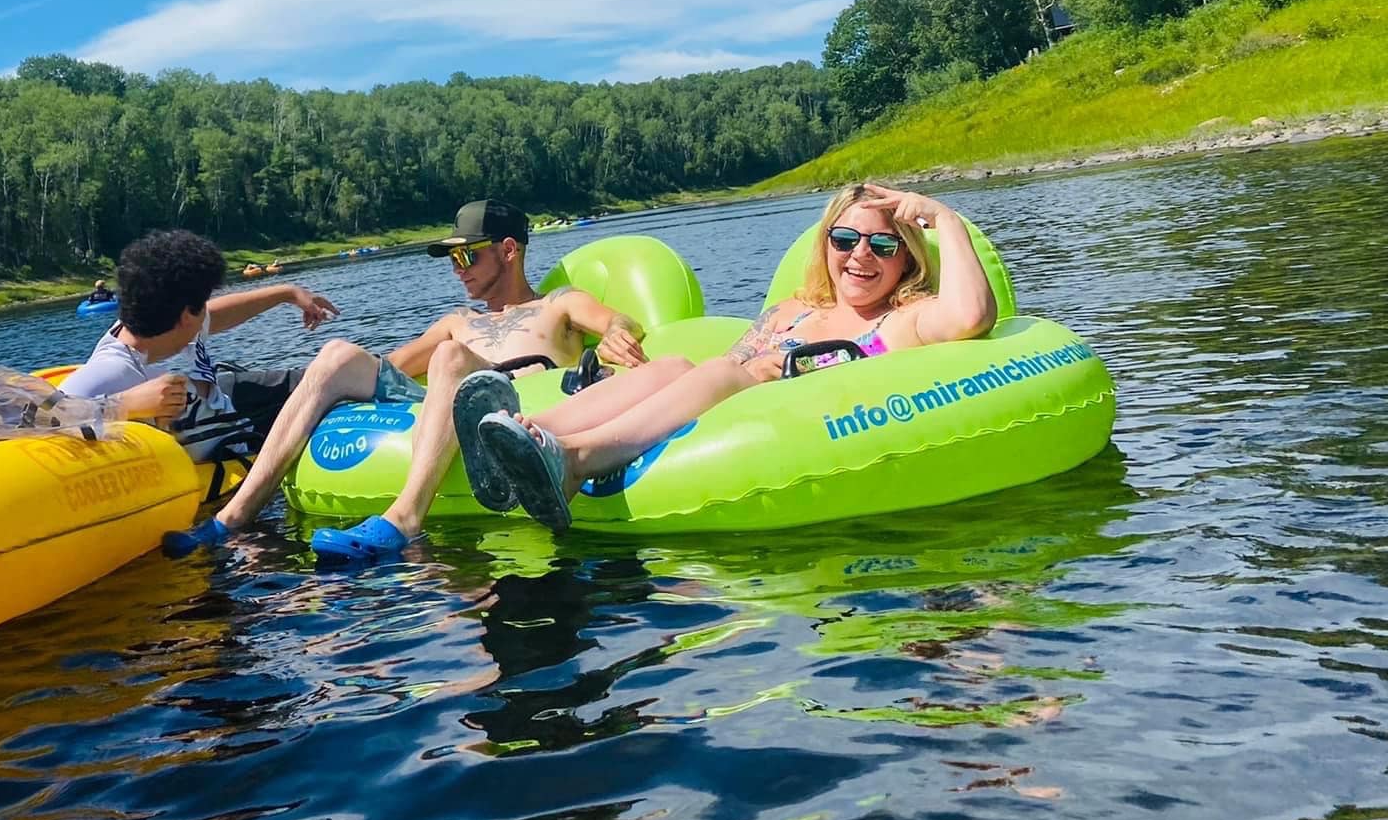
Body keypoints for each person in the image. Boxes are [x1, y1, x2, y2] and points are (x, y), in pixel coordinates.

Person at [463, 182, 997, 532]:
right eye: (844, 239)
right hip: (733, 406)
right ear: (825, 245)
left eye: (882, 246)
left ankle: (576, 458)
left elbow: (971, 316)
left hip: (809, 426)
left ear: (906, 259)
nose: (860, 256)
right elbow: (726, 365)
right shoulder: (791, 311)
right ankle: (521, 435)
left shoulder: (903, 318)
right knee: (675, 367)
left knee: (731, 370)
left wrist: (945, 219)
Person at [161, 199, 649, 564]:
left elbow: (619, 320)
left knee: (450, 354)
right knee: (337, 354)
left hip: (521, 401)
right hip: (450, 394)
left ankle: (405, 518)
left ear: (507, 250)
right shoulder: (457, 320)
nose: (457, 270)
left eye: (467, 257)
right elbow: (389, 365)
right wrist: (339, 378)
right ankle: (232, 517)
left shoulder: (558, 304)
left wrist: (614, 336)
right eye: (451, 260)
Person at [60, 229, 341, 446]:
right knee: (335, 379)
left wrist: (286, 294)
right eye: (203, 303)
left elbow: (218, 314)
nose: (207, 311)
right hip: (230, 434)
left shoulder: (151, 320)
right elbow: (44, 417)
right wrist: (122, 406)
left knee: (331, 376)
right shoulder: (111, 371)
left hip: (224, 399)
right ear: (186, 315)